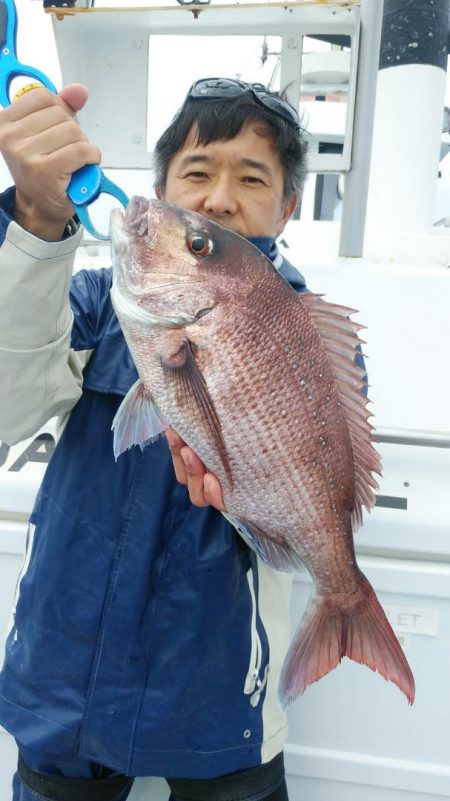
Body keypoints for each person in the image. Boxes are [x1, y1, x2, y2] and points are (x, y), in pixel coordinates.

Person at [0, 76, 308, 801]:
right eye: (196, 173)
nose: (219, 197)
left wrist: (251, 486)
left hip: (220, 685)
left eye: (252, 177)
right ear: (162, 190)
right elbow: (8, 407)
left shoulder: (306, 337)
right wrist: (39, 225)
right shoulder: (96, 300)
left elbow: (307, 482)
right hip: (65, 667)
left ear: (288, 206)